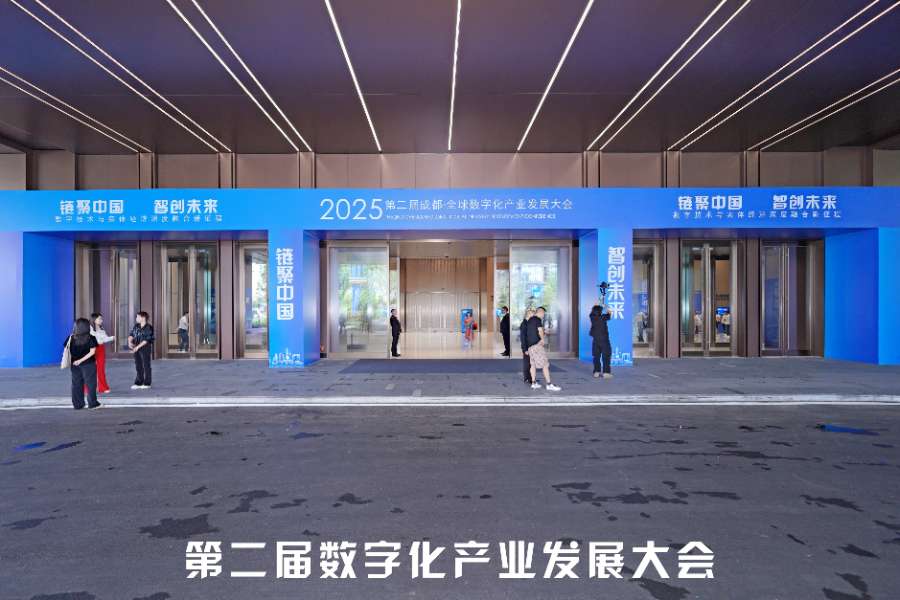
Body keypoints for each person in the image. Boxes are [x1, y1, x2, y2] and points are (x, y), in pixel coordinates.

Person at [64, 318, 101, 410]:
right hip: (89, 364)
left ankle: (78, 404)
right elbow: (92, 352)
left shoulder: (70, 338)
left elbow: (66, 349)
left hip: (74, 365)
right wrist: (81, 360)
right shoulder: (91, 338)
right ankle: (92, 404)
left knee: (76, 384)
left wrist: (76, 360)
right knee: (90, 384)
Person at [527, 307, 561, 392]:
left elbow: (533, 332)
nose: (543, 316)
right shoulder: (537, 319)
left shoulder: (530, 320)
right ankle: (549, 384)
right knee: (545, 364)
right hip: (537, 346)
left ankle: (533, 383)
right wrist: (542, 339)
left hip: (530, 346)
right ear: (540, 312)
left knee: (533, 365)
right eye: (543, 314)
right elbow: (539, 330)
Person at [88, 313, 114, 394]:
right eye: (99, 319)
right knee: (89, 369)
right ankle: (88, 388)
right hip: (91, 349)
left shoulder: (101, 328)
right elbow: (95, 339)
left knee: (101, 369)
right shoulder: (89, 328)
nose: (101, 320)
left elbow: (104, 339)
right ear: (94, 319)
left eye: (101, 319)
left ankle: (103, 387)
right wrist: (101, 339)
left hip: (100, 349)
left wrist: (112, 338)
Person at [128, 311, 154, 389]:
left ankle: (147, 383)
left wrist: (137, 347)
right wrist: (129, 342)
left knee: (146, 365)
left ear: (143, 318)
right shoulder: (136, 326)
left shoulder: (149, 327)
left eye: (137, 317)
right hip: (136, 347)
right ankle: (139, 382)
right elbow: (131, 335)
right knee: (138, 365)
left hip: (145, 348)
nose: (136, 318)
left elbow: (146, 340)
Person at [590, 304, 613, 379]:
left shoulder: (592, 317)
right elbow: (610, 313)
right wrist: (605, 306)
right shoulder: (603, 317)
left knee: (596, 356)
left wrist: (597, 306)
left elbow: (593, 310)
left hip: (595, 340)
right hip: (604, 340)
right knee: (606, 356)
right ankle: (606, 373)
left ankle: (596, 372)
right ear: (600, 311)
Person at [520, 308, 534, 384]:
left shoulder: (527, 323)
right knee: (527, 363)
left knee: (529, 362)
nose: (533, 316)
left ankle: (528, 377)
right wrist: (525, 349)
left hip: (528, 346)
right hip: (526, 347)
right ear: (528, 314)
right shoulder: (524, 324)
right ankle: (528, 378)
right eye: (532, 314)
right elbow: (523, 337)